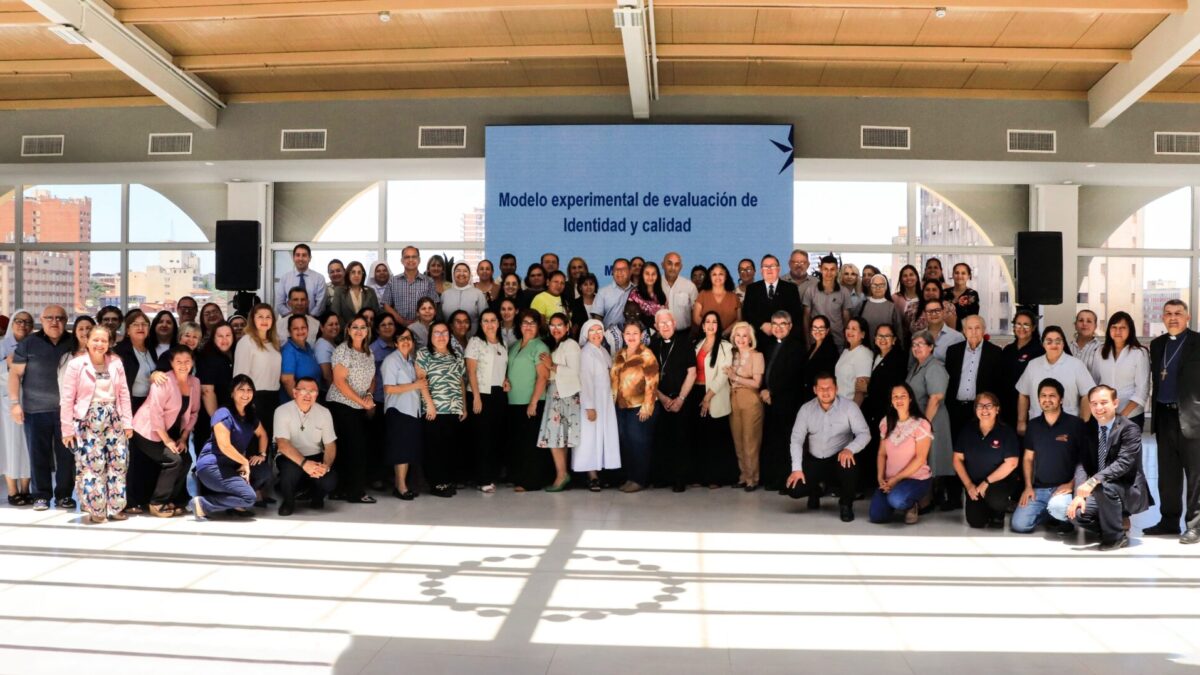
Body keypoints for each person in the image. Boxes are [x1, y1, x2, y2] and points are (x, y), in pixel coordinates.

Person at [59, 325, 133, 523]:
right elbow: (67, 398)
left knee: (118, 462)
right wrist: (66, 429)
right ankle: (97, 509)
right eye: (95, 340)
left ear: (109, 343)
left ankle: (116, 508)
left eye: (104, 341)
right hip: (87, 418)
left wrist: (128, 423)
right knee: (93, 465)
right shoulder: (76, 364)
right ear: (87, 341)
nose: (100, 344)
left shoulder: (116, 363)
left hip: (114, 416)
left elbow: (124, 393)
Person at [1068, 385, 1152, 551]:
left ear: (1115, 403)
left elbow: (1124, 463)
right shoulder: (1088, 429)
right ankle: (1114, 526)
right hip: (1099, 487)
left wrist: (1093, 481)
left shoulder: (1129, 429)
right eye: (1094, 403)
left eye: (1104, 402)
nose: (1099, 408)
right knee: (1076, 515)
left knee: (1103, 487)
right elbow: (1082, 464)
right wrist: (1079, 494)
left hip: (1126, 487)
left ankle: (1116, 538)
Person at [9, 305, 75, 511]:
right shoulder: (29, 343)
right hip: (35, 411)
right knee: (38, 455)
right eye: (49, 318)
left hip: (67, 412)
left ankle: (64, 495)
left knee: (66, 456)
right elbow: (15, 375)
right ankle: (41, 496)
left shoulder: (74, 342)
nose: (54, 321)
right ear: (41, 320)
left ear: (66, 320)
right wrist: (14, 404)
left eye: (59, 318)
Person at [1146, 299, 1200, 542]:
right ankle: (1168, 521)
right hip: (1164, 416)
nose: (1173, 317)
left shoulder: (1198, 342)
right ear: (1163, 317)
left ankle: (1195, 525)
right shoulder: (1156, 345)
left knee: (1195, 474)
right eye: (1168, 313)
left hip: (1192, 417)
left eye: (1178, 313)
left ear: (1187, 317)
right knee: (1168, 475)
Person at [787, 372, 870, 522]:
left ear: (836, 388)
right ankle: (816, 490)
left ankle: (846, 504)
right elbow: (797, 439)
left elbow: (864, 434)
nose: (825, 392)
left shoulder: (849, 407)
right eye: (821, 388)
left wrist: (849, 449)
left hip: (838, 458)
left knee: (850, 467)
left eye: (829, 388)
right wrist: (797, 469)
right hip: (814, 459)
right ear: (815, 390)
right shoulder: (806, 409)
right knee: (794, 489)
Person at [129, 345, 200, 517]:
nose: (183, 365)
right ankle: (157, 503)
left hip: (168, 431)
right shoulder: (164, 381)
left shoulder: (194, 382)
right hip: (146, 430)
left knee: (186, 459)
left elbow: (193, 412)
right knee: (173, 460)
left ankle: (170, 499)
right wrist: (167, 440)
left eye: (187, 361)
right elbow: (155, 412)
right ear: (171, 363)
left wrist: (183, 438)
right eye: (179, 361)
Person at [1011, 378, 1087, 535]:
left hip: (1064, 489)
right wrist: (1028, 486)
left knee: (1059, 508)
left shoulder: (1075, 424)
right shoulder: (1033, 426)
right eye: (1043, 396)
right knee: (1020, 525)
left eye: (1052, 395)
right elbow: (1028, 458)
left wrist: (1071, 484)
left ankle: (1058, 513)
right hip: (1039, 489)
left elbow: (1084, 460)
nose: (1047, 399)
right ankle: (1051, 514)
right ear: (1038, 399)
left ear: (1061, 399)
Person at [189, 375, 269, 520]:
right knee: (249, 498)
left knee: (263, 470)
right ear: (232, 393)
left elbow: (262, 434)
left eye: (249, 390)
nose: (246, 394)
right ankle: (203, 504)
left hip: (232, 465)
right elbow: (224, 446)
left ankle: (235, 504)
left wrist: (262, 454)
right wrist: (244, 462)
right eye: (241, 390)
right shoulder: (222, 413)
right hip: (212, 466)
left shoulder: (250, 416)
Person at [327, 314, 377, 504]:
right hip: (341, 405)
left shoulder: (368, 352)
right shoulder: (343, 351)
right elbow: (339, 382)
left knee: (354, 449)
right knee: (354, 450)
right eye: (354, 327)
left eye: (363, 327)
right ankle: (355, 492)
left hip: (358, 406)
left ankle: (344, 490)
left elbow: (372, 378)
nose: (359, 331)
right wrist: (361, 402)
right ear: (348, 330)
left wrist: (369, 397)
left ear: (367, 331)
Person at [953, 391, 1021, 529]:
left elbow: (1012, 463)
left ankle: (999, 511)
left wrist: (986, 482)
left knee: (996, 499)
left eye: (989, 405)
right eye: (980, 406)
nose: (984, 409)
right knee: (976, 522)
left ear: (997, 409)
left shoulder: (1006, 432)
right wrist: (969, 485)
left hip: (999, 483)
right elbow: (956, 459)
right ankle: (986, 508)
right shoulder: (967, 431)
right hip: (974, 483)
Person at [415, 320, 467, 497]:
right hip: (434, 409)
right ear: (430, 336)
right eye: (437, 333)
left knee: (449, 447)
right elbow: (421, 382)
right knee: (434, 449)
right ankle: (436, 484)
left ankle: (446, 480)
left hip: (453, 408)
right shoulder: (424, 354)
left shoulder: (456, 354)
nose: (441, 336)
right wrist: (429, 404)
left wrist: (464, 406)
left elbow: (460, 381)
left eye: (444, 332)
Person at [869, 383, 933, 524]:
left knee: (896, 500)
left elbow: (921, 458)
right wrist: (880, 478)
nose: (899, 400)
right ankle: (897, 498)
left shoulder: (921, 424)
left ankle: (911, 504)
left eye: (903, 396)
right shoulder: (886, 422)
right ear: (891, 401)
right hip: (890, 480)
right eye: (895, 397)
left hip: (915, 479)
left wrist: (896, 479)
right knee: (876, 516)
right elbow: (881, 454)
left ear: (910, 399)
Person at [1016, 325, 1095, 435]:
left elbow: (1087, 394)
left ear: (1063, 343)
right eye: (1049, 341)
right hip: (1038, 424)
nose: (1054, 345)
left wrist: (1082, 422)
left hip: (1069, 426)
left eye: (1058, 341)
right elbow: (1023, 394)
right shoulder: (1033, 365)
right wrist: (1021, 421)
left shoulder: (1076, 365)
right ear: (1043, 344)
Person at [650, 309, 697, 492]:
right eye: (661, 324)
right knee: (662, 439)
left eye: (668, 322)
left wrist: (681, 399)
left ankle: (679, 478)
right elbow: (648, 376)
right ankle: (663, 476)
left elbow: (692, 373)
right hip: (660, 400)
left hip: (681, 401)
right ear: (656, 326)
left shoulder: (685, 344)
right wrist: (661, 398)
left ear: (674, 323)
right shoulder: (653, 345)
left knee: (680, 440)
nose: (665, 326)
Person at [907, 330, 955, 510]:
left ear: (931, 347)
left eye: (921, 344)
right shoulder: (917, 366)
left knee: (931, 461)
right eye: (914, 345)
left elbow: (935, 398)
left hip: (932, 421)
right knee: (923, 460)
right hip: (919, 422)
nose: (916, 348)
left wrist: (924, 425)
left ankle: (928, 501)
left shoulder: (934, 367)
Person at [759, 310, 807, 493]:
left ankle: (787, 481)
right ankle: (773, 479)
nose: (778, 328)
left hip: (787, 402)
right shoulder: (770, 344)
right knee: (773, 442)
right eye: (775, 324)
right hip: (770, 402)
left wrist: (773, 392)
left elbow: (791, 375)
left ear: (790, 326)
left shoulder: (796, 347)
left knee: (787, 442)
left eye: (783, 324)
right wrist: (764, 389)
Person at [612, 320, 659, 493]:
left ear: (641, 336)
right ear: (623, 336)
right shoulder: (619, 354)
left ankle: (639, 479)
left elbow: (652, 382)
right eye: (628, 334)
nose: (631, 337)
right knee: (627, 443)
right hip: (622, 406)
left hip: (639, 406)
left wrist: (647, 407)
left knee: (639, 443)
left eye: (635, 333)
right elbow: (614, 380)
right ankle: (630, 477)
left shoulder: (647, 355)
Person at [507, 309, 551, 492]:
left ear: (538, 326)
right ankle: (519, 477)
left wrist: (533, 402)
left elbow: (543, 377)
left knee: (531, 444)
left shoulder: (540, 347)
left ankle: (531, 481)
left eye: (532, 323)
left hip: (531, 402)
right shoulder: (515, 345)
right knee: (519, 443)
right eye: (525, 323)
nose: (528, 326)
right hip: (514, 402)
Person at [538, 313, 581, 492]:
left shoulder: (571, 345)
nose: (555, 329)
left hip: (565, 395)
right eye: (552, 325)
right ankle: (562, 473)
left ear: (567, 327)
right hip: (555, 392)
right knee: (557, 437)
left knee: (555, 436)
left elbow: (575, 371)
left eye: (559, 325)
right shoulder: (557, 345)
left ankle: (562, 474)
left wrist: (551, 365)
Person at [465, 309, 507, 493]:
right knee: (482, 438)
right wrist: (476, 396)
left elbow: (502, 368)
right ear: (481, 324)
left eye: (493, 320)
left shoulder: (502, 343)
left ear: (498, 323)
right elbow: (471, 371)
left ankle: (492, 474)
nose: (489, 324)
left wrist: (506, 380)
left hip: (498, 394)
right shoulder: (475, 342)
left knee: (496, 436)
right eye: (485, 321)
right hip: (481, 393)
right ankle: (482, 479)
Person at [945, 314, 1004, 447]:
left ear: (983, 330)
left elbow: (999, 385)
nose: (973, 332)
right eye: (969, 328)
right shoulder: (953, 351)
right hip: (956, 409)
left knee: (979, 447)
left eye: (977, 328)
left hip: (981, 411)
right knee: (956, 446)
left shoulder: (995, 352)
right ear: (964, 331)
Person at [381, 326, 426, 499]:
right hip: (398, 410)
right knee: (400, 450)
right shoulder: (392, 361)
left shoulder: (411, 360)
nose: (406, 342)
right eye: (401, 339)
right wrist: (416, 385)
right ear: (395, 343)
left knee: (407, 450)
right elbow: (389, 388)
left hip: (412, 411)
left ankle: (403, 484)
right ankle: (400, 486)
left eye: (409, 338)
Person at [576, 319, 620, 491]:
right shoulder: (586, 353)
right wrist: (589, 406)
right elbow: (585, 381)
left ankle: (600, 473)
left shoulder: (602, 350)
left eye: (599, 330)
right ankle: (591, 476)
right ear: (586, 334)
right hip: (592, 401)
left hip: (605, 401)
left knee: (601, 436)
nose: (596, 334)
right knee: (590, 438)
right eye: (592, 331)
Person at [695, 311, 737, 487]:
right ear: (703, 326)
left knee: (716, 439)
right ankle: (702, 475)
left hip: (714, 395)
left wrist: (708, 397)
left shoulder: (725, 347)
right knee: (701, 438)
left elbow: (722, 376)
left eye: (714, 322)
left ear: (718, 326)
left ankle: (716, 477)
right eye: (707, 322)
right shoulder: (697, 345)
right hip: (697, 392)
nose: (711, 325)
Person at [1090, 311, 1150, 429]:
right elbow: (1095, 383)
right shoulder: (1100, 351)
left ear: (1130, 330)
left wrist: (1121, 417)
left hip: (1131, 416)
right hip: (1104, 414)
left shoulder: (1139, 353)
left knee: (1127, 448)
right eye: (1114, 327)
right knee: (1104, 447)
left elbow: (1142, 390)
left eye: (1122, 328)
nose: (1118, 331)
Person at [233, 304, 282, 442]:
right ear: (252, 319)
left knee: (267, 442)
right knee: (253, 443)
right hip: (254, 399)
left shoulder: (275, 342)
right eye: (260, 316)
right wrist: (244, 403)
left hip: (273, 398)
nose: (264, 320)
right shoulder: (246, 342)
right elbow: (239, 376)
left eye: (268, 317)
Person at [727, 321, 765, 491]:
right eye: (738, 335)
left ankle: (753, 479)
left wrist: (735, 377)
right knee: (738, 440)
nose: (741, 339)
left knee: (751, 441)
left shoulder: (757, 356)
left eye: (744, 335)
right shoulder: (732, 355)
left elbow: (757, 383)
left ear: (750, 338)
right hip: (733, 399)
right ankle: (743, 476)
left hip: (750, 399)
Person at [0, 309, 33, 505]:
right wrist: (7, 363)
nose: (23, 325)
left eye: (28, 322)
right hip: (6, 401)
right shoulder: (2, 345)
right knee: (9, 445)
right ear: (12, 323)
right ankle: (12, 491)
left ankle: (26, 489)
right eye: (19, 321)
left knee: (28, 446)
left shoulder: (34, 345)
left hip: (30, 400)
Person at [743, 254, 802, 348]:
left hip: (784, 343)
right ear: (761, 271)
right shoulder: (752, 289)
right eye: (766, 266)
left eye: (772, 266)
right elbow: (747, 314)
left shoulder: (791, 289)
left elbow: (796, 316)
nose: (769, 269)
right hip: (758, 341)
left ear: (778, 269)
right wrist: (761, 325)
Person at [999, 308, 1044, 429]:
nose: (1021, 328)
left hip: (1028, 406)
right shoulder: (1008, 349)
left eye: (1026, 325)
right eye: (1018, 324)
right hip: (1006, 406)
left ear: (1033, 328)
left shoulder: (1039, 351)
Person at [195, 322, 234, 455]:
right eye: (220, 336)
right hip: (211, 416)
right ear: (213, 338)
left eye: (228, 335)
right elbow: (207, 391)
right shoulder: (209, 357)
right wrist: (217, 421)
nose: (224, 340)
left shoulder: (231, 355)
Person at [803, 255, 852, 349]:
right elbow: (806, 318)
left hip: (838, 341)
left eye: (832, 269)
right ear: (820, 269)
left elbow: (846, 318)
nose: (829, 273)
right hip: (816, 341)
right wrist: (808, 342)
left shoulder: (844, 292)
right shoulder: (811, 290)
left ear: (837, 270)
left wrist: (847, 341)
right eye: (825, 269)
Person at [383, 246, 439, 325]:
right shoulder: (393, 281)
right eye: (407, 257)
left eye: (414, 257)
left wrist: (416, 323)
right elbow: (386, 305)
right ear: (402, 261)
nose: (411, 260)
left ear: (419, 260)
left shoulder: (429, 281)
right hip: (398, 326)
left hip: (422, 326)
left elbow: (434, 304)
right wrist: (402, 321)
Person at [114, 310, 155, 413]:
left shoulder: (151, 349)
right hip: (130, 404)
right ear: (128, 330)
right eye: (135, 325)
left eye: (144, 324)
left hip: (151, 402)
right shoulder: (119, 351)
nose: (140, 328)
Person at [275, 243, 326, 319]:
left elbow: (320, 304)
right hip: (289, 321)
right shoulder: (285, 278)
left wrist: (309, 319)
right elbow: (279, 303)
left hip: (314, 321)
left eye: (304, 255)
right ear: (293, 258)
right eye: (298, 255)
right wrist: (291, 318)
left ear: (310, 258)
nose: (301, 258)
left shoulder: (319, 278)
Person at [692, 262, 740, 338]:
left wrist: (724, 333)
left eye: (721, 274)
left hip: (729, 338)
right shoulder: (703, 294)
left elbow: (739, 319)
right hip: (706, 337)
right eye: (714, 274)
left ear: (726, 276)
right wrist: (710, 330)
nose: (717, 277)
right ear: (709, 277)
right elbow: (696, 317)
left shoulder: (734, 297)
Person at [280, 314, 321, 401]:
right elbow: (287, 381)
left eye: (303, 327)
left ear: (308, 329)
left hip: (310, 401)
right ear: (289, 331)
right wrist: (300, 404)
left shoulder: (308, 347)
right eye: (296, 328)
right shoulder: (288, 351)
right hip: (298, 405)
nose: (300, 331)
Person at [330, 260, 380, 329]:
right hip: (345, 332)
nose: (356, 275)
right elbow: (335, 314)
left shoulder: (370, 291)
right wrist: (349, 329)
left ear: (363, 275)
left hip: (367, 333)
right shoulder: (339, 291)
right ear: (348, 274)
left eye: (359, 273)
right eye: (353, 272)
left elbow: (376, 314)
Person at [834, 317, 873, 406]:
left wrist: (852, 414)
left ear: (862, 334)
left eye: (854, 329)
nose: (849, 331)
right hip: (838, 404)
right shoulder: (846, 351)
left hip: (850, 406)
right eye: (848, 328)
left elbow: (860, 391)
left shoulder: (863, 353)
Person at [442, 262, 489, 334]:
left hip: (473, 337)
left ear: (470, 274)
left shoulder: (478, 294)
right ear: (453, 274)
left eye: (465, 271)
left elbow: (485, 318)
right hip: (448, 338)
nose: (461, 274)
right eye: (458, 271)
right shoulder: (445, 294)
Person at [858, 273, 903, 344]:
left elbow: (898, 331)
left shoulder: (892, 307)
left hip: (886, 348)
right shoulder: (863, 304)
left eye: (881, 285)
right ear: (870, 286)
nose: (878, 288)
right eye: (874, 285)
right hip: (866, 347)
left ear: (886, 287)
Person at [661, 252, 698, 332]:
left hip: (684, 334)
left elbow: (696, 313)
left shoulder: (690, 286)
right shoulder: (656, 284)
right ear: (662, 265)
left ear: (681, 267)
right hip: (660, 335)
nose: (673, 268)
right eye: (669, 264)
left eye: (677, 264)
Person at [593, 258, 634, 330]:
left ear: (630, 271)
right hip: (608, 338)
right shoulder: (603, 292)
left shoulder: (636, 290)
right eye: (616, 269)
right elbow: (597, 317)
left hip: (632, 337)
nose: (619, 272)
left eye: (623, 269)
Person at [628, 262, 668, 329]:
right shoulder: (634, 294)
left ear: (657, 276)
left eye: (653, 274)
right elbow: (631, 318)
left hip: (659, 334)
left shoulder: (662, 295)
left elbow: (666, 317)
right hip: (640, 334)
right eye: (647, 274)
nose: (650, 277)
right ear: (642, 275)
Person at [805, 315, 840, 389]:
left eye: (821, 328)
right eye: (815, 328)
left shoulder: (831, 349)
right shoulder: (813, 346)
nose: (817, 331)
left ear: (827, 330)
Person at [314, 311, 341, 395]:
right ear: (322, 327)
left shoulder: (332, 343)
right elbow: (327, 376)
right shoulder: (322, 346)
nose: (335, 327)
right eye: (330, 324)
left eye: (336, 324)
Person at [568, 273, 599, 337]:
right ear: (580, 287)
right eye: (585, 284)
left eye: (591, 284)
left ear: (595, 286)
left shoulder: (601, 301)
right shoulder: (574, 304)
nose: (588, 287)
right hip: (580, 339)